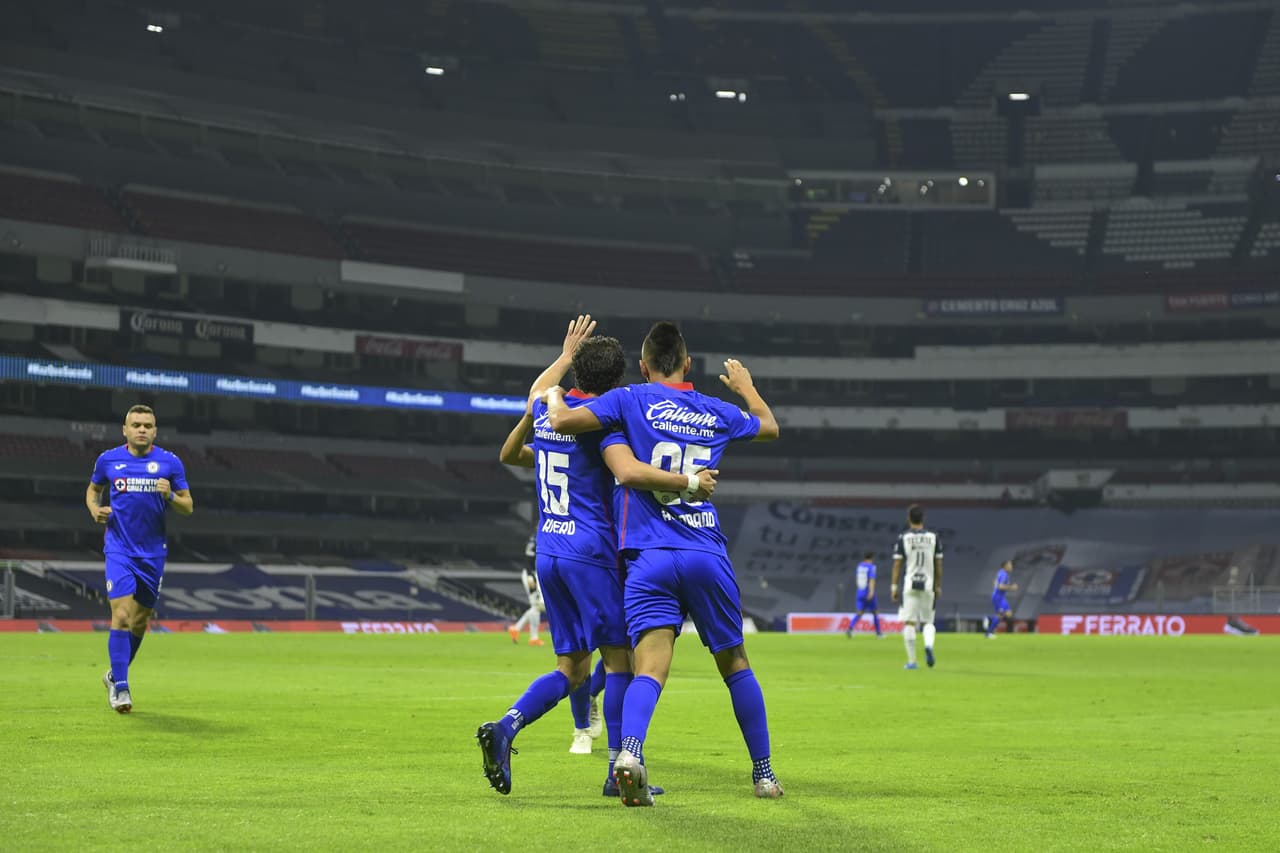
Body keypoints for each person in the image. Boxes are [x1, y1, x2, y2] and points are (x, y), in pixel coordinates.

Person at [546, 321, 784, 805]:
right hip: (704, 552)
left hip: (649, 557)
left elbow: (565, 422)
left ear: (642, 365)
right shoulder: (717, 410)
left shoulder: (628, 400)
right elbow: (769, 427)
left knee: (648, 670)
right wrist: (747, 389)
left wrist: (550, 394)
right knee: (735, 662)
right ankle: (763, 775)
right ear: (688, 364)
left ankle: (629, 754)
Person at [478, 315, 715, 797]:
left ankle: (506, 727)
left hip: (549, 551)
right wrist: (689, 481)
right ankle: (616, 772)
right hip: (592, 552)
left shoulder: (548, 410)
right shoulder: (604, 415)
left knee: (573, 669)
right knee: (622, 660)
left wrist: (563, 357)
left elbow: (514, 442)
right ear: (616, 382)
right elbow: (627, 471)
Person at [85, 404, 194, 713]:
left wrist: (170, 496)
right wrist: (95, 510)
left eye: (148, 425)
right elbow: (92, 491)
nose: (142, 429)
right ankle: (121, 687)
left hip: (153, 554)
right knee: (120, 615)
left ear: (155, 431)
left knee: (140, 621)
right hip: (119, 550)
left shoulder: (170, 463)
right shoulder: (108, 460)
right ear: (125, 430)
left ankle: (113, 674)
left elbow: (188, 506)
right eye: (136, 425)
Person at [890, 503, 942, 671]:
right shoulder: (934, 538)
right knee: (928, 621)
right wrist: (938, 586)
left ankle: (912, 661)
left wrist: (893, 587)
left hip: (910, 583)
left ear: (909, 519)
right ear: (923, 518)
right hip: (928, 584)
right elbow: (938, 564)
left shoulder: (903, 538)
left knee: (910, 623)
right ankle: (928, 645)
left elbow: (897, 564)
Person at [509, 559, 546, 647]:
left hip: (533, 574)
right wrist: (530, 576)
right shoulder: (535, 548)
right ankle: (533, 638)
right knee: (539, 606)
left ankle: (516, 628)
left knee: (535, 607)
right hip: (532, 574)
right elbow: (530, 559)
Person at [845, 551, 882, 638]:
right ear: (872, 558)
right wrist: (871, 592)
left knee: (859, 612)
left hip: (859, 591)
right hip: (867, 591)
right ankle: (879, 633)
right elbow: (872, 579)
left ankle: (850, 629)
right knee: (875, 612)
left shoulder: (859, 566)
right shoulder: (871, 567)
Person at [985, 560, 1017, 638]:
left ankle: (988, 618)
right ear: (1005, 566)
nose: (1011, 566)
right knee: (1000, 615)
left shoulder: (1001, 572)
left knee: (1008, 614)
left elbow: (995, 582)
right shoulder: (1004, 575)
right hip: (998, 597)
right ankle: (989, 633)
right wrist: (1011, 587)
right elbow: (1000, 586)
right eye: (1010, 565)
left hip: (1000, 597)